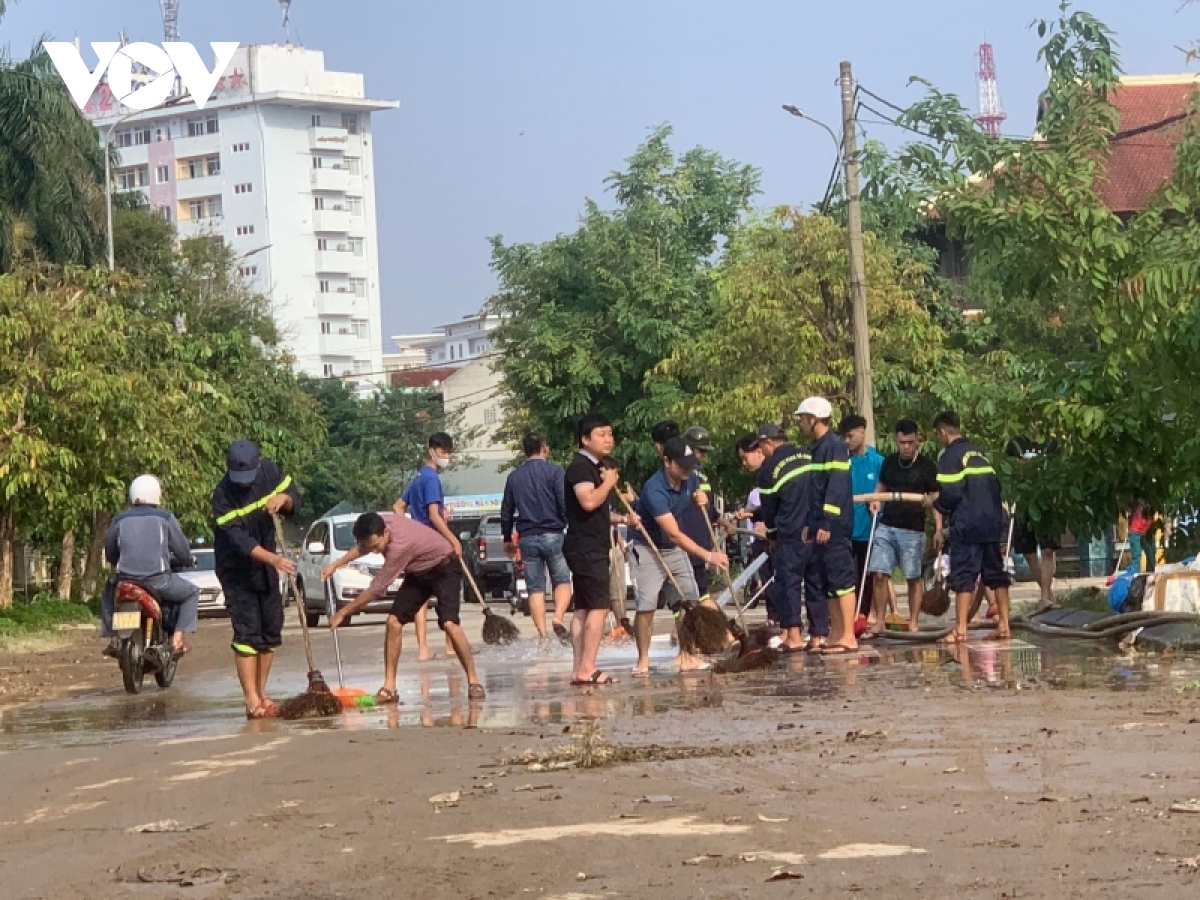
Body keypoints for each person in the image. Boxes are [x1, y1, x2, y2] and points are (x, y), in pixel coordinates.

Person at [323, 512, 484, 702]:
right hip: (419, 572)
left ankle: (474, 681)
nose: (375, 551)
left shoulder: (399, 547)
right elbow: (362, 548)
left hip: (445, 567)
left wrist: (343, 612)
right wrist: (336, 565)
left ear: (385, 533)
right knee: (393, 622)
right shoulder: (383, 522)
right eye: (371, 547)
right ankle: (389, 687)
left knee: (449, 623)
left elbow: (376, 589)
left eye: (377, 546)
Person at [211, 440, 301, 719]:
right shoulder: (222, 497)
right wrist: (274, 560)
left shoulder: (271, 473)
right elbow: (241, 542)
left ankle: (262, 693)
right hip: (236, 571)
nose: (243, 485)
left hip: (266, 568)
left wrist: (283, 500)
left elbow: (295, 496)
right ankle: (251, 699)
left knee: (270, 630)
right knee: (248, 633)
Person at [628, 437, 730, 676]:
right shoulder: (654, 490)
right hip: (649, 547)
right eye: (682, 465)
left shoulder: (691, 477)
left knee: (690, 600)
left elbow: (697, 500)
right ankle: (643, 659)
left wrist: (700, 501)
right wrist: (708, 555)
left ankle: (687, 654)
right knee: (647, 605)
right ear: (666, 461)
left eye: (690, 464)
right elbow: (673, 534)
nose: (688, 469)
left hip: (674, 550)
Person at [564, 413, 636, 685]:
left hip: (590, 544)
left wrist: (623, 519)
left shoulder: (594, 467)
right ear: (585, 439)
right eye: (601, 434)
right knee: (598, 607)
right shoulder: (581, 468)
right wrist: (608, 482)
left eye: (610, 433)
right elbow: (588, 502)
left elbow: (598, 512)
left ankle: (580, 668)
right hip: (585, 548)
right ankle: (587, 668)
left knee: (582, 609)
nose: (608, 439)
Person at [932, 411, 1012, 644]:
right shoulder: (979, 454)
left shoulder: (949, 457)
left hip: (967, 525)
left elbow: (951, 494)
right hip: (992, 522)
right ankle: (1004, 625)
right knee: (996, 574)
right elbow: (995, 487)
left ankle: (960, 630)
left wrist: (935, 503)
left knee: (964, 576)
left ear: (943, 432)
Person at [101, 475, 199, 659]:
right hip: (159, 581)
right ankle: (177, 639)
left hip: (125, 580)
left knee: (109, 591)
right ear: (157, 495)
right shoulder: (165, 518)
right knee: (191, 592)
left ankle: (113, 637)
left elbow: (111, 553)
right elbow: (182, 550)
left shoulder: (118, 520)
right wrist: (187, 559)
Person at [755, 422, 826, 653]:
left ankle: (794, 636)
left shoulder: (769, 469)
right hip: (816, 530)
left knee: (789, 583)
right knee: (816, 583)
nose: (761, 452)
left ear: (768, 443)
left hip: (791, 533)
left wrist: (773, 536)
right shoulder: (808, 455)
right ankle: (818, 637)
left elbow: (769, 511)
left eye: (761, 447)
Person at [866, 419, 942, 635]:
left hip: (913, 530)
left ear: (917, 440)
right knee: (879, 574)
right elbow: (882, 485)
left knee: (912, 577)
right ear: (896, 441)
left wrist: (937, 528)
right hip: (886, 526)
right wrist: (876, 497)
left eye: (910, 442)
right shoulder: (889, 462)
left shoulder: (927, 466)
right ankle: (880, 621)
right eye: (902, 443)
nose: (906, 447)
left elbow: (936, 498)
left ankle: (914, 621)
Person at [797, 397, 859, 655]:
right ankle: (836, 634)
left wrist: (826, 522)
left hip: (834, 526)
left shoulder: (834, 446)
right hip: (820, 525)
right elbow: (815, 490)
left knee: (842, 579)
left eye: (802, 418)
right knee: (829, 581)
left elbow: (835, 487)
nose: (800, 423)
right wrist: (810, 523)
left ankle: (848, 636)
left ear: (814, 419)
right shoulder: (818, 447)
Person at [500, 432, 571, 643]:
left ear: (524, 450)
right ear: (544, 448)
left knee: (535, 588)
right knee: (562, 580)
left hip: (527, 537)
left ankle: (543, 636)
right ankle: (558, 618)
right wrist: (569, 523)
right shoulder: (555, 471)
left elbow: (506, 511)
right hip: (553, 534)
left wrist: (507, 538)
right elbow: (564, 502)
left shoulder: (514, 477)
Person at [393, 432, 457, 660]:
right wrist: (453, 540)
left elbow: (398, 506)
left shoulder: (418, 476)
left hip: (417, 546)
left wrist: (407, 532)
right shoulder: (430, 478)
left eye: (448, 453)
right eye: (442, 452)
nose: (446, 457)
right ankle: (451, 646)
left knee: (420, 597)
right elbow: (434, 515)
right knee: (446, 593)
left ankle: (423, 649)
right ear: (432, 450)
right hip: (434, 545)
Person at [1005, 436, 1061, 608]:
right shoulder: (1015, 443)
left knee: (1048, 550)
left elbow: (1057, 469)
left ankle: (1045, 596)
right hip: (1024, 502)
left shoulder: (1052, 442)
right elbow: (1009, 469)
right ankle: (1047, 593)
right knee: (1028, 552)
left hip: (1046, 500)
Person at [839, 414, 883, 622]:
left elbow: (884, 489)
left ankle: (863, 615)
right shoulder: (841, 462)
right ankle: (845, 616)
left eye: (850, 436)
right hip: (845, 529)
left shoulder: (878, 462)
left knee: (866, 575)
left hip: (868, 529)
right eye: (844, 437)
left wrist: (878, 502)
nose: (847, 441)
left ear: (863, 432)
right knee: (846, 576)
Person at [682, 425, 732, 597]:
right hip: (690, 539)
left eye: (705, 451)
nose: (703, 455)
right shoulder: (686, 474)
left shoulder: (700, 472)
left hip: (702, 539)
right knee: (692, 592)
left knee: (701, 589)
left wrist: (723, 522)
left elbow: (708, 507)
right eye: (700, 451)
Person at [736, 433, 775, 619]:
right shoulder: (762, 475)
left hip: (777, 534)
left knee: (779, 579)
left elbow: (779, 504)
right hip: (764, 536)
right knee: (767, 577)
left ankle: (782, 621)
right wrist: (751, 513)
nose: (744, 463)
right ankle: (773, 617)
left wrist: (767, 523)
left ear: (759, 451)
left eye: (745, 458)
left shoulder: (772, 471)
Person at [1128, 499, 1155, 573]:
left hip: (1143, 535)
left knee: (1151, 551)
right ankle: (1135, 573)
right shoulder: (1139, 512)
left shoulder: (1149, 516)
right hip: (1135, 534)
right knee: (1137, 554)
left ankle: (1151, 571)